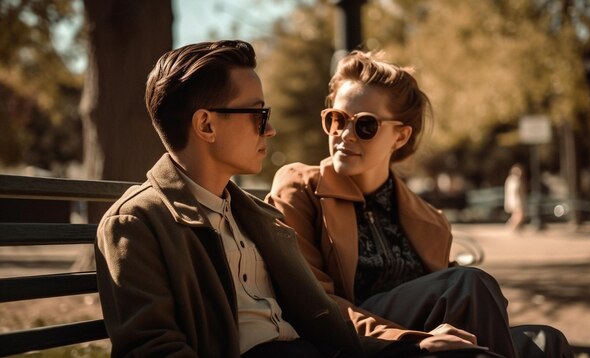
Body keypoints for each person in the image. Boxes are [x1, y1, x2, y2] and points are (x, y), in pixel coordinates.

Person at [96, 40, 410, 358]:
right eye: (258, 114)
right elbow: (151, 348)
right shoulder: (137, 221)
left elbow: (327, 325)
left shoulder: (258, 216)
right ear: (206, 125)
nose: (270, 129)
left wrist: (412, 344)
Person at [267, 50, 573, 357]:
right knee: (468, 285)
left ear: (400, 137)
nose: (345, 135)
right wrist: (410, 340)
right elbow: (313, 302)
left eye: (365, 125)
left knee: (547, 342)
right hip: (366, 343)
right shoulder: (301, 187)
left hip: (432, 338)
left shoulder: (428, 218)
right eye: (336, 119)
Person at [504, 164, 526, 231]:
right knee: (519, 216)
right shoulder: (513, 181)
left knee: (516, 216)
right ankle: (511, 227)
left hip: (516, 201)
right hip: (515, 201)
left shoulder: (516, 180)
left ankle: (514, 227)